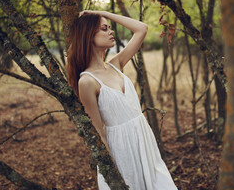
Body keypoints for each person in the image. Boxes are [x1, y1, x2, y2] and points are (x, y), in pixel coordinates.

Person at [66, 10, 177, 190]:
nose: (111, 32)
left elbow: (142, 29)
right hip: (121, 151)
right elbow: (99, 132)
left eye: (110, 28)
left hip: (144, 140)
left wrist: (101, 13)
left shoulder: (115, 64)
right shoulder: (87, 81)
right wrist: (113, 174)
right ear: (88, 36)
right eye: (104, 29)